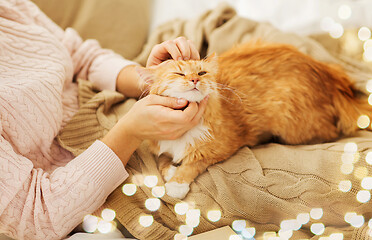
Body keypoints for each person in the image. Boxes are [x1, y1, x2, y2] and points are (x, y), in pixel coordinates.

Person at [0, 0, 207, 239]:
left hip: (111, 106)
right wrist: (129, 133)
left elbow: (82, 57)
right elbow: (38, 217)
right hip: (92, 185)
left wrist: (151, 80)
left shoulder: (9, 7)